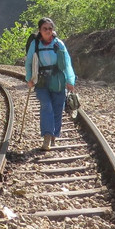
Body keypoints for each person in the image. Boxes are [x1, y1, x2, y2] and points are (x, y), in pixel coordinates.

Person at [24, 17, 75, 151]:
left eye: (50, 28)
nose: (48, 31)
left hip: (58, 80)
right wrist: (29, 78)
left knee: (58, 109)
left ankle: (53, 135)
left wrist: (70, 81)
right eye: (45, 29)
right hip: (41, 81)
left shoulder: (59, 44)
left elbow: (68, 64)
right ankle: (47, 136)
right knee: (46, 106)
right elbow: (29, 62)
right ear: (40, 31)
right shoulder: (35, 45)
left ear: (53, 30)